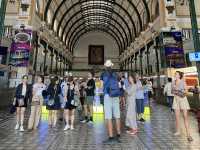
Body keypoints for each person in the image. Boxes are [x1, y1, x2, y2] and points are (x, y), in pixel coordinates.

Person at [100, 60, 122, 144]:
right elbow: (119, 85)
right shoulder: (116, 74)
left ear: (105, 66)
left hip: (107, 96)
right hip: (116, 95)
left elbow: (102, 86)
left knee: (109, 117)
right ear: (111, 66)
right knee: (117, 115)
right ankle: (119, 133)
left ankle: (111, 136)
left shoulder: (103, 74)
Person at [172, 71, 193, 142]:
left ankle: (188, 134)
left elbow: (186, 91)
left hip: (183, 99)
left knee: (185, 117)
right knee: (177, 117)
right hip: (176, 100)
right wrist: (176, 92)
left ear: (179, 75)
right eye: (175, 74)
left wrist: (179, 92)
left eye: (176, 74)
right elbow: (172, 91)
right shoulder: (173, 82)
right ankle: (178, 131)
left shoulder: (183, 82)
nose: (175, 75)